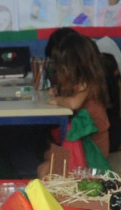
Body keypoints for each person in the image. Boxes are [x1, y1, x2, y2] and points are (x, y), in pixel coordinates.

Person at [41, 28, 110, 173]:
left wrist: (59, 100)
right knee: (46, 157)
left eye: (62, 66)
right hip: (80, 145)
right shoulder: (82, 82)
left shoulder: (89, 82)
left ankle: (57, 193)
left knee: (44, 169)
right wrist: (58, 92)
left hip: (91, 151)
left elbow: (73, 103)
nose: (60, 70)